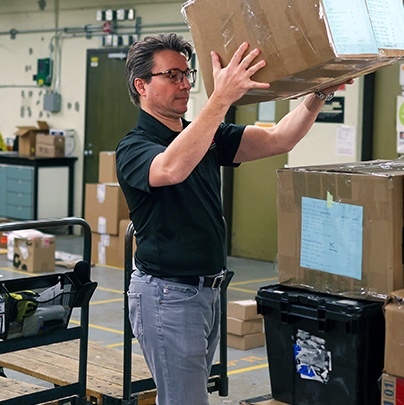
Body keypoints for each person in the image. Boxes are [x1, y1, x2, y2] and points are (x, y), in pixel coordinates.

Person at [116, 33, 351, 405]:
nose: (186, 84)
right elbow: (171, 168)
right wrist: (221, 98)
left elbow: (279, 139)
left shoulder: (208, 136)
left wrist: (318, 95)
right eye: (173, 75)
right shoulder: (134, 147)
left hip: (206, 292)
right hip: (167, 295)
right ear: (141, 85)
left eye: (187, 73)